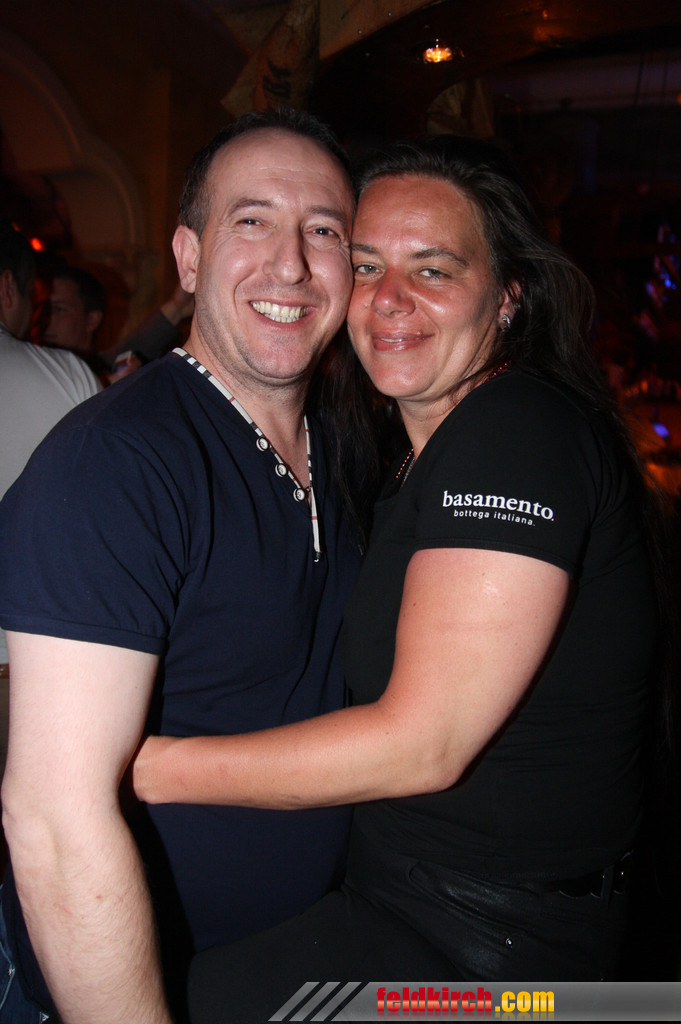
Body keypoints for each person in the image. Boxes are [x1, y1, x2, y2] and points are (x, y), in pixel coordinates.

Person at [130, 137, 659, 1020]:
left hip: (493, 959)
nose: (388, 299)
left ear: (507, 296)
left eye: (433, 269)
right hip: (414, 905)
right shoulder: (410, 457)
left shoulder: (514, 432)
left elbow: (424, 743)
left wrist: (133, 765)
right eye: (368, 263)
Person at [0, 109, 359, 1024]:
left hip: (290, 963)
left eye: (323, 230)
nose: (290, 264)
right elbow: (54, 820)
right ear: (189, 258)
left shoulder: (340, 445)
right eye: (252, 220)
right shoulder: (116, 464)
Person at [0, 221, 100, 678]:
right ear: (8, 288)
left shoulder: (79, 375)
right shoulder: (67, 377)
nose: (41, 320)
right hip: (29, 656)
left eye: (57, 309)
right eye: (37, 302)